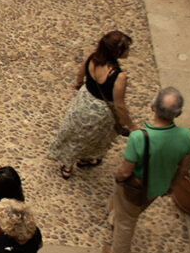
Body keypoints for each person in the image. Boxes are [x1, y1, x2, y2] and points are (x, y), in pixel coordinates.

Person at [105, 87, 190, 253]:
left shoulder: (140, 137)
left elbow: (125, 170)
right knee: (133, 210)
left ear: (153, 106)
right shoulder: (186, 136)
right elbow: (184, 168)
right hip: (158, 187)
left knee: (127, 223)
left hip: (134, 188)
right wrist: (171, 186)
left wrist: (118, 178)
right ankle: (116, 218)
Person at [48, 31, 135, 179]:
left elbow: (80, 74)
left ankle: (67, 165)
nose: (128, 50)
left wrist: (78, 84)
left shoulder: (92, 57)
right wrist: (130, 125)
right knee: (95, 137)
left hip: (84, 100)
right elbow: (119, 105)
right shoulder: (119, 76)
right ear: (117, 52)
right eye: (126, 48)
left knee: (75, 135)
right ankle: (86, 158)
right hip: (101, 112)